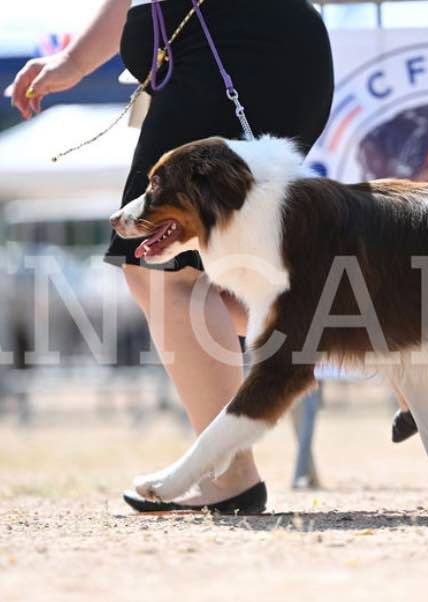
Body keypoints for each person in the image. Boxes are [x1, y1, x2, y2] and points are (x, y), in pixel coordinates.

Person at [8, 0, 334, 513]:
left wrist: (74, 62)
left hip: (227, 50)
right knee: (208, 282)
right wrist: (73, 61)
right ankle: (363, 333)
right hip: (250, 46)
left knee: (157, 269)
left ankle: (229, 474)